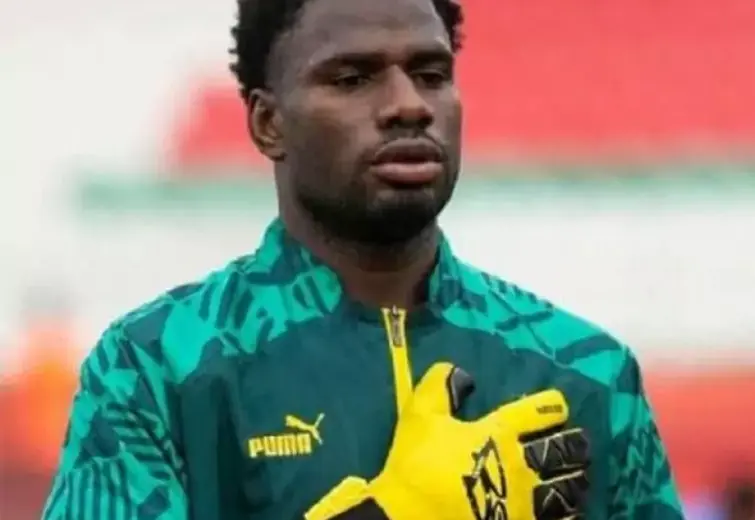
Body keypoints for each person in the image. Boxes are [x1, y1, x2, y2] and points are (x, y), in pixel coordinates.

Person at [41, 0, 685, 518]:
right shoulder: (156, 368)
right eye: (352, 78)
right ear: (268, 124)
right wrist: (394, 512)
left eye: (432, 74)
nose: (409, 104)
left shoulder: (587, 373)